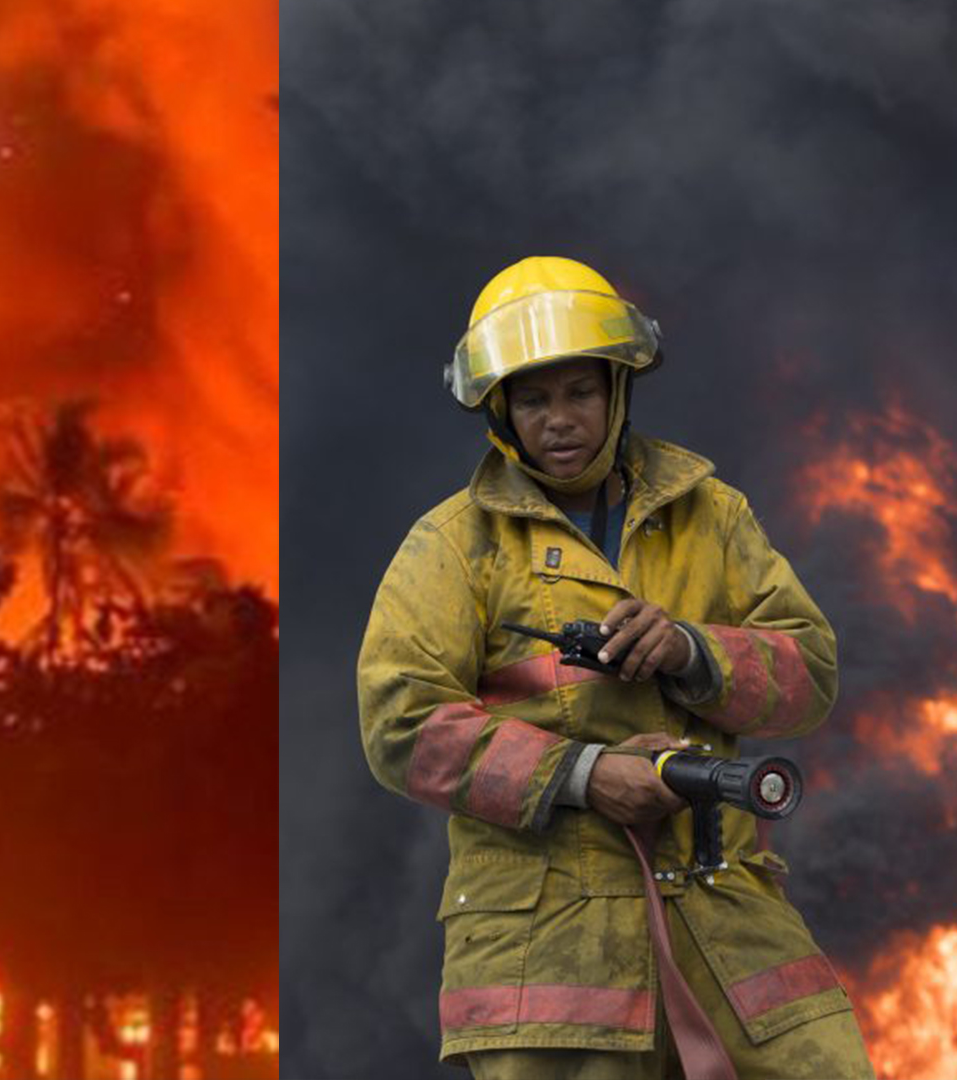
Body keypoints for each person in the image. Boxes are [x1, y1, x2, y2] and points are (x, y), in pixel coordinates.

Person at [357, 257, 873, 1079]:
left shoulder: (711, 515)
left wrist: (692, 651)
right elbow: (400, 724)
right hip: (553, 951)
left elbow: (809, 671)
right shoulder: (454, 547)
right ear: (500, 409)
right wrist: (585, 775)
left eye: (579, 392)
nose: (559, 420)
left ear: (617, 390)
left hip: (725, 918)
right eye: (533, 398)